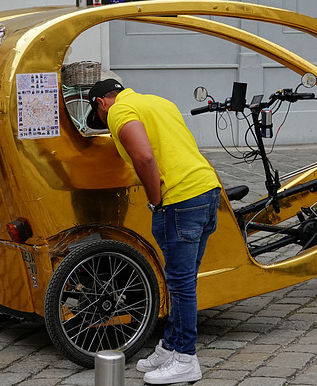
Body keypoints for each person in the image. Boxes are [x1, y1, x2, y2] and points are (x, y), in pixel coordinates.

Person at [86, 78, 221, 384]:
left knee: (182, 284)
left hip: (179, 200)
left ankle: (186, 359)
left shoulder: (120, 111)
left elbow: (144, 157)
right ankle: (170, 346)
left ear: (101, 103)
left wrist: (155, 201)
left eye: (100, 119)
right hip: (207, 190)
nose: (106, 123)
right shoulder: (159, 102)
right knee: (181, 281)